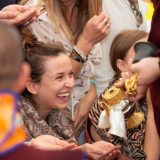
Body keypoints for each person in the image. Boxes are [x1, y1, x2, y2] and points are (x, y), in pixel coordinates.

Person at [19, 0, 111, 141]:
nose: (70, 83)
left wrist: (92, 88)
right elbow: (45, 74)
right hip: (47, 116)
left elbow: (88, 69)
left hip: (76, 119)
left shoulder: (87, 14)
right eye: (62, 77)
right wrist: (85, 43)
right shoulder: (36, 16)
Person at [0, 21, 87, 160]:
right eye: (59, 77)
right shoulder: (10, 117)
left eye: (71, 74)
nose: (71, 83)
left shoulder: (61, 114)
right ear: (32, 85)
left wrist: (85, 150)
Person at [88, 30, 153, 159]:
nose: (148, 60)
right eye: (142, 51)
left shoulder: (150, 89)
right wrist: (152, 109)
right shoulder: (109, 104)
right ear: (122, 65)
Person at [94, 0, 148, 96]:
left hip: (134, 88)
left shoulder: (142, 5)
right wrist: (91, 85)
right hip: (106, 93)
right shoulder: (102, 4)